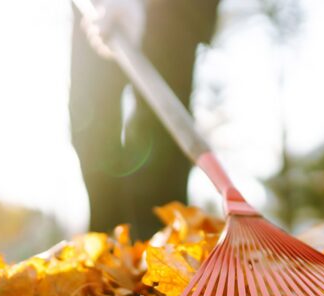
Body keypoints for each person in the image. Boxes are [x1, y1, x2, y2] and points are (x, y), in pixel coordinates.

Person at [70, 0, 219, 239]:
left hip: (177, 8)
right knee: (89, 120)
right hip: (94, 8)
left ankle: (164, 245)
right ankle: (106, 245)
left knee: (159, 132)